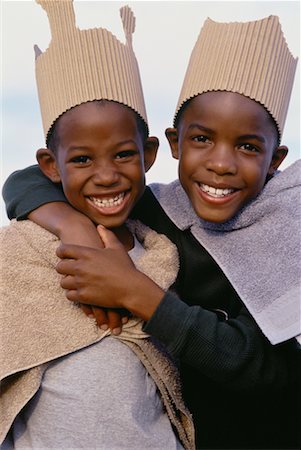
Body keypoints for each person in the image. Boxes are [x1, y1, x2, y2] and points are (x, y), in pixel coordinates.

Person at [3, 13, 301, 450]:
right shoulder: (159, 207)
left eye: (248, 146)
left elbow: (265, 369)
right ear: (174, 145)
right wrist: (73, 227)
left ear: (276, 160)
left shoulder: (286, 231)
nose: (221, 163)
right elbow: (28, 180)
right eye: (202, 139)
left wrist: (136, 292)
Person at [0, 1, 195, 449]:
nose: (106, 175)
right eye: (82, 159)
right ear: (50, 166)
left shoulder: (165, 251)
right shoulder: (19, 252)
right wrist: (73, 226)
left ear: (149, 154)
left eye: (123, 155)